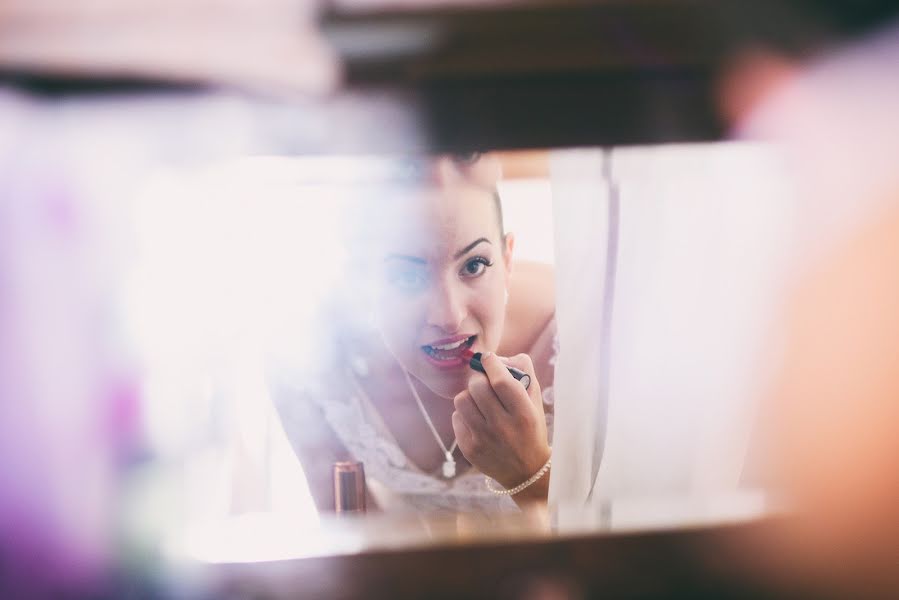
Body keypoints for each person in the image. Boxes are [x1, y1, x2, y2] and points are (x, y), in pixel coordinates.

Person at [272, 154, 557, 514]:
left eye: (474, 265)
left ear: (507, 259)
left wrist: (531, 475)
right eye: (407, 277)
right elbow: (348, 536)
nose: (449, 316)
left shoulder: (578, 337)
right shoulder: (311, 365)